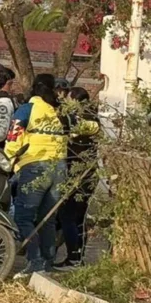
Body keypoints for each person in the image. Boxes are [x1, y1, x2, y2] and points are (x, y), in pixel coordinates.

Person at [5, 74, 68, 279]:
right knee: (47, 219)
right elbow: (88, 127)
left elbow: (13, 137)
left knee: (23, 217)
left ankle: (35, 262)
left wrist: (9, 158)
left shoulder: (27, 109)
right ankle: (47, 264)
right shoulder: (59, 112)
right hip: (59, 168)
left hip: (34, 167)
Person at [55, 87, 99, 271]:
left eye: (67, 98)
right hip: (82, 174)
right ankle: (75, 257)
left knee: (69, 216)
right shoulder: (87, 116)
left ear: (74, 99)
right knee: (76, 217)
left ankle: (74, 258)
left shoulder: (86, 119)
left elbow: (80, 129)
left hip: (81, 176)